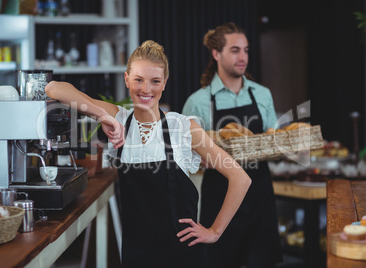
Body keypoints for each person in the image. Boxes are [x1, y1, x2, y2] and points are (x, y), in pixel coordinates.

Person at [46, 40, 251, 268]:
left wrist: (214, 231)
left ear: (164, 83)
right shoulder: (120, 120)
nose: (146, 89)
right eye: (138, 80)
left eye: (155, 81)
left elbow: (240, 178)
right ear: (126, 79)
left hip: (183, 257)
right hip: (137, 256)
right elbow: (54, 88)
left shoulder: (183, 128)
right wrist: (101, 115)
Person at [182, 22, 283, 267]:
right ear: (216, 54)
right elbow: (184, 159)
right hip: (219, 201)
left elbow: (275, 142)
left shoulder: (262, 94)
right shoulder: (198, 102)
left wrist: (288, 148)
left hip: (260, 198)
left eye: (246, 50)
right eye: (235, 50)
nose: (243, 57)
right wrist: (200, 160)